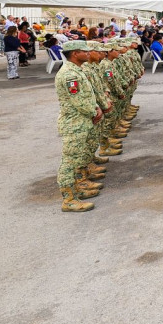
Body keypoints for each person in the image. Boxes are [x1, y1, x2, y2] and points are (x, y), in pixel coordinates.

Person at [55, 41, 104, 212]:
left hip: (81, 121)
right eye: (85, 51)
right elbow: (78, 101)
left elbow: (87, 95)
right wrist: (94, 111)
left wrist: (96, 108)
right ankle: (68, 199)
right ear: (75, 53)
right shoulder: (70, 75)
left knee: (77, 158)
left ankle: (78, 187)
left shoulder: (77, 70)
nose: (89, 53)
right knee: (69, 162)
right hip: (74, 123)